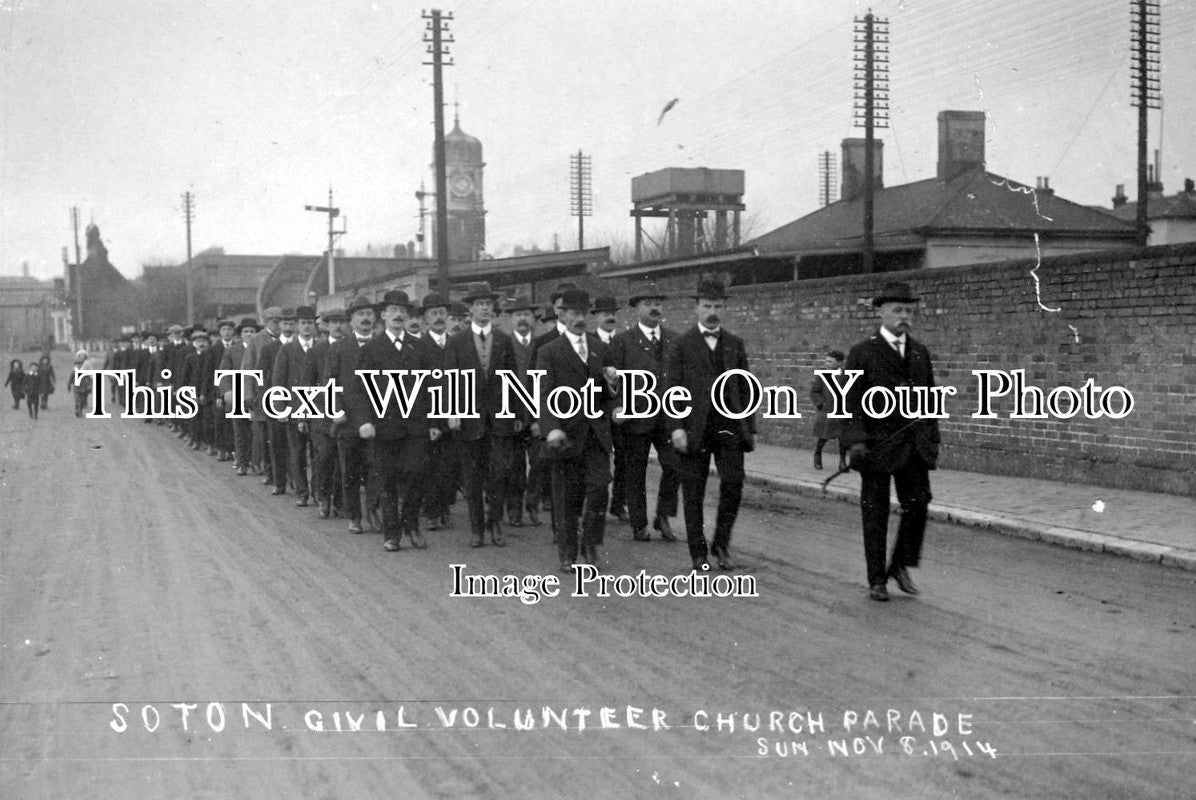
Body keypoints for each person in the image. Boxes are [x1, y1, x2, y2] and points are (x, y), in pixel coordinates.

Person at [842, 281, 941, 602]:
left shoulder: (919, 353)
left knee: (919, 502)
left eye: (909, 311)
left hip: (912, 446)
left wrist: (932, 440)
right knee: (875, 512)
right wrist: (855, 443)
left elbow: (929, 400)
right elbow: (851, 401)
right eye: (897, 310)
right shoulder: (863, 352)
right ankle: (876, 580)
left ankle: (899, 564)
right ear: (881, 312)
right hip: (876, 447)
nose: (904, 317)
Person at [665, 279, 756, 572]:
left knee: (733, 484)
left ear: (724, 308)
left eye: (718, 306)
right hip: (694, 429)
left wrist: (749, 427)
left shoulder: (734, 344)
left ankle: (721, 544)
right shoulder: (681, 344)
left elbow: (746, 389)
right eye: (707, 306)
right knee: (694, 492)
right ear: (696, 309)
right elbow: (671, 390)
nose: (712, 311)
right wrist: (676, 427)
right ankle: (698, 553)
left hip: (729, 427)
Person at [347, 290, 442, 552]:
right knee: (388, 479)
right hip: (384, 425)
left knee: (416, 473)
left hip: (416, 426)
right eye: (393, 310)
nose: (398, 315)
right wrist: (364, 421)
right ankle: (392, 534)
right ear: (383, 315)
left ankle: (410, 524)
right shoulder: (371, 349)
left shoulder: (420, 347)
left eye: (402, 310)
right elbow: (358, 390)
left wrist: (434, 422)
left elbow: (433, 387)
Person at [536, 289, 618, 572]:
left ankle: (590, 543)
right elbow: (544, 394)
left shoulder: (600, 348)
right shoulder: (549, 352)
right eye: (573, 313)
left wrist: (615, 401)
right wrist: (552, 430)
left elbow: (610, 392)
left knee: (599, 490)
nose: (579, 318)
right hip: (566, 436)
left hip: (596, 435)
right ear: (561, 314)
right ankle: (567, 553)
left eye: (583, 313)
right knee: (566, 499)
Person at [444, 283, 524, 548]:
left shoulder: (503, 340)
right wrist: (452, 412)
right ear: (471, 309)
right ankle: (477, 529)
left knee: (501, 472)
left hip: (499, 419)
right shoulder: (457, 341)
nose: (485, 309)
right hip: (468, 420)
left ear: (493, 308)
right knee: (473, 477)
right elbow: (449, 379)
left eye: (488, 304)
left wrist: (518, 413)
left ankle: (495, 521)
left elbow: (512, 378)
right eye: (479, 304)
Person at [607, 284, 680, 543]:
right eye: (648, 303)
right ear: (637, 308)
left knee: (674, 465)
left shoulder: (674, 340)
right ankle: (639, 524)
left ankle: (663, 516)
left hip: (668, 417)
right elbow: (614, 382)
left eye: (657, 303)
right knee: (635, 471)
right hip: (636, 418)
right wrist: (617, 406)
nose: (654, 308)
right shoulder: (623, 342)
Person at [327, 296, 377, 534]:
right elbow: (331, 384)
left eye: (368, 313)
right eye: (360, 314)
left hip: (377, 421)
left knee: (376, 470)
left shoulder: (382, 345)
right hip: (347, 422)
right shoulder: (339, 348)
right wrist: (337, 411)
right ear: (351, 320)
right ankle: (354, 516)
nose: (365, 318)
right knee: (350, 472)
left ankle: (373, 512)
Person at [272, 306, 320, 507]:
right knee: (297, 452)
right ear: (297, 326)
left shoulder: (322, 347)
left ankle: (318, 491)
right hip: (294, 408)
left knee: (319, 452)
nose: (307, 327)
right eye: (303, 323)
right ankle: (302, 492)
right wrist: (280, 407)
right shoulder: (287, 349)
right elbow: (278, 380)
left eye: (310, 323)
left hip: (318, 409)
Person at [503, 294, 540, 528]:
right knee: (514, 466)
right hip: (513, 416)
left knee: (539, 463)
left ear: (533, 319)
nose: (523, 319)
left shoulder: (543, 346)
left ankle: (533, 505)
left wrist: (539, 417)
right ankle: (514, 508)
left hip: (537, 417)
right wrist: (512, 415)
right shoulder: (504, 345)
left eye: (526, 314)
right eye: (518, 315)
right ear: (511, 320)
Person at [810, 349, 848, 471]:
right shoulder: (822, 375)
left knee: (843, 438)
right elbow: (814, 391)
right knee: (824, 436)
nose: (827, 364)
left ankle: (842, 462)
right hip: (827, 410)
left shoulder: (847, 375)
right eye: (826, 361)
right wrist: (821, 404)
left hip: (842, 411)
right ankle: (817, 454)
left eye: (830, 362)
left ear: (840, 363)